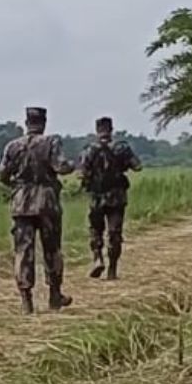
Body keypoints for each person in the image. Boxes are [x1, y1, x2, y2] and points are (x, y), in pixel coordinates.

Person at [0, 105, 76, 313]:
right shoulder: (51, 142)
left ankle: (26, 300)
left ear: (26, 123)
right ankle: (54, 295)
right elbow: (61, 167)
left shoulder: (13, 146)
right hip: (47, 203)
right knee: (52, 249)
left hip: (21, 203)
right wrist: (73, 164)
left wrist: (19, 186)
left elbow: (2, 175)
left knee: (23, 251)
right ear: (43, 123)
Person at [76, 116, 142, 280]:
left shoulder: (89, 150)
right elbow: (138, 166)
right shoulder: (122, 148)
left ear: (97, 130)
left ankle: (98, 258)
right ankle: (112, 269)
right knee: (115, 232)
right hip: (117, 197)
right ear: (111, 130)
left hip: (96, 198)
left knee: (95, 230)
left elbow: (81, 173)